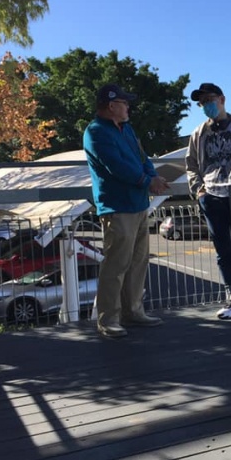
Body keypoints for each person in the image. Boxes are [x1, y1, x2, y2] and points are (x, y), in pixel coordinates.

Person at [83, 83, 169, 337]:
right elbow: (116, 166)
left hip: (139, 204)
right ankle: (108, 319)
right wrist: (147, 181)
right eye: (124, 103)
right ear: (111, 106)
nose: (128, 107)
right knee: (116, 264)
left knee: (138, 262)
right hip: (117, 207)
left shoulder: (127, 129)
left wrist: (153, 177)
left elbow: (142, 158)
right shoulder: (95, 132)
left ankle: (133, 312)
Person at [185, 83, 231, 320]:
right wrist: (199, 190)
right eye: (202, 103)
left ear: (222, 99)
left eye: (209, 100)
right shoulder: (199, 133)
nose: (206, 105)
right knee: (223, 251)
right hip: (212, 196)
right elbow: (191, 165)